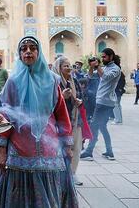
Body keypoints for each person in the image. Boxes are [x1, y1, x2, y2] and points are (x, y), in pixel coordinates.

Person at [0, 36, 78, 208]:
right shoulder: (13, 82)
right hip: (20, 148)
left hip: (50, 147)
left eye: (32, 48)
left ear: (39, 52)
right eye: (23, 48)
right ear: (19, 54)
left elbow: (61, 114)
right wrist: (2, 150)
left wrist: (67, 145)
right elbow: (7, 117)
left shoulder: (52, 80)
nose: (28, 51)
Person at [80, 48, 121, 161]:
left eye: (104, 57)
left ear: (111, 56)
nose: (102, 59)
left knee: (94, 126)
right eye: (101, 57)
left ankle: (89, 152)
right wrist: (91, 66)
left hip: (105, 102)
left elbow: (106, 77)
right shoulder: (105, 67)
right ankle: (109, 151)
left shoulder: (116, 69)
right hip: (101, 101)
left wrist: (98, 66)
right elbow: (90, 76)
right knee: (102, 127)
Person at [52, 56, 84, 186]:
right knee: (61, 148)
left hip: (75, 119)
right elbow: (50, 102)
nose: (69, 68)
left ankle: (72, 173)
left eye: (70, 65)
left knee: (76, 147)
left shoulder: (74, 81)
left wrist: (79, 100)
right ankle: (60, 174)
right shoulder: (54, 82)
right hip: (60, 122)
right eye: (66, 65)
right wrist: (62, 97)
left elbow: (81, 95)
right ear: (59, 68)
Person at [113, 56, 126, 125]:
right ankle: (119, 119)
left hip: (116, 90)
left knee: (116, 104)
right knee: (118, 104)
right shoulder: (118, 69)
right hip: (118, 90)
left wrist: (120, 88)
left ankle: (118, 120)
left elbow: (121, 81)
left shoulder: (116, 69)